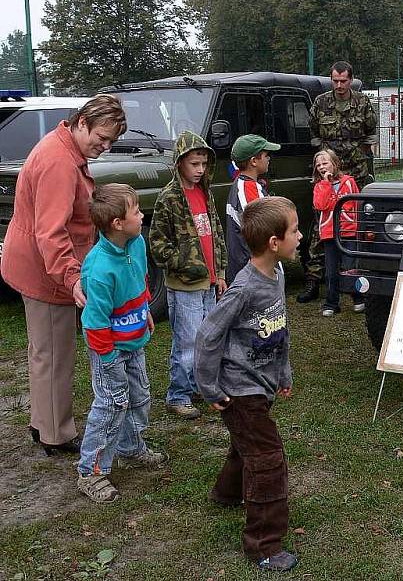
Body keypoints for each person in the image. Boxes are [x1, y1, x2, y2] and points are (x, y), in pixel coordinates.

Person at [0, 95, 126, 455]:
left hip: (42, 266)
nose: (104, 147)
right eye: (101, 138)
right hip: (45, 272)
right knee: (55, 354)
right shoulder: (59, 162)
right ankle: (55, 434)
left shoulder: (66, 147)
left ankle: (45, 423)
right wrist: (71, 279)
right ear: (81, 122)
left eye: (111, 142)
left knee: (46, 352)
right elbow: (51, 233)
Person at [195, 196, 301, 572]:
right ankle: (264, 544)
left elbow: (280, 330)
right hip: (240, 391)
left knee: (247, 446)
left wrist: (283, 372)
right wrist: (209, 387)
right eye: (294, 230)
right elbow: (208, 336)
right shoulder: (243, 290)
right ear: (274, 243)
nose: (300, 236)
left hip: (263, 383)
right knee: (267, 459)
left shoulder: (278, 275)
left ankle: (226, 494)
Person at [76, 184, 167, 503]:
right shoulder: (100, 268)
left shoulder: (137, 242)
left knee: (139, 396)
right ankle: (92, 471)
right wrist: (108, 355)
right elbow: (94, 320)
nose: (142, 215)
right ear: (117, 223)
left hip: (134, 339)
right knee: (112, 404)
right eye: (137, 211)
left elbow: (140, 279)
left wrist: (145, 311)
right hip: (109, 348)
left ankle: (130, 448)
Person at [149, 130, 227, 420]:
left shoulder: (205, 193)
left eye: (204, 164)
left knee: (207, 338)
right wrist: (183, 263)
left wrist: (219, 272)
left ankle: (197, 386)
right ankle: (177, 394)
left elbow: (216, 234)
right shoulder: (168, 198)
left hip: (209, 282)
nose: (200, 170)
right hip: (184, 286)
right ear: (180, 162)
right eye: (194, 164)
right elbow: (157, 244)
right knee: (187, 341)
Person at [297, 60, 377, 304]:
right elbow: (313, 134)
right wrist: (325, 162)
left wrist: (357, 154)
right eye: (335, 80)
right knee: (322, 224)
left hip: (356, 174)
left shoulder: (362, 102)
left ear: (351, 79)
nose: (339, 85)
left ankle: (358, 282)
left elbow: (371, 133)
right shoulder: (321, 103)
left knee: (357, 226)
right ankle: (314, 279)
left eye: (344, 80)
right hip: (326, 175)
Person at [311, 149, 363, 316]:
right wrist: (326, 183)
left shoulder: (349, 182)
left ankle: (358, 299)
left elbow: (356, 203)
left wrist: (358, 225)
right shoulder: (319, 186)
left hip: (349, 231)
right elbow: (321, 205)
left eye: (325, 163)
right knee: (331, 271)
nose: (321, 167)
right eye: (318, 165)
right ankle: (331, 303)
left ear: (335, 163)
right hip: (329, 233)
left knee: (350, 268)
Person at [225, 133, 281, 284]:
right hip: (255, 271)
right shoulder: (248, 188)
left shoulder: (243, 184)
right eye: (266, 155)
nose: (269, 158)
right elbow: (261, 229)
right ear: (254, 161)